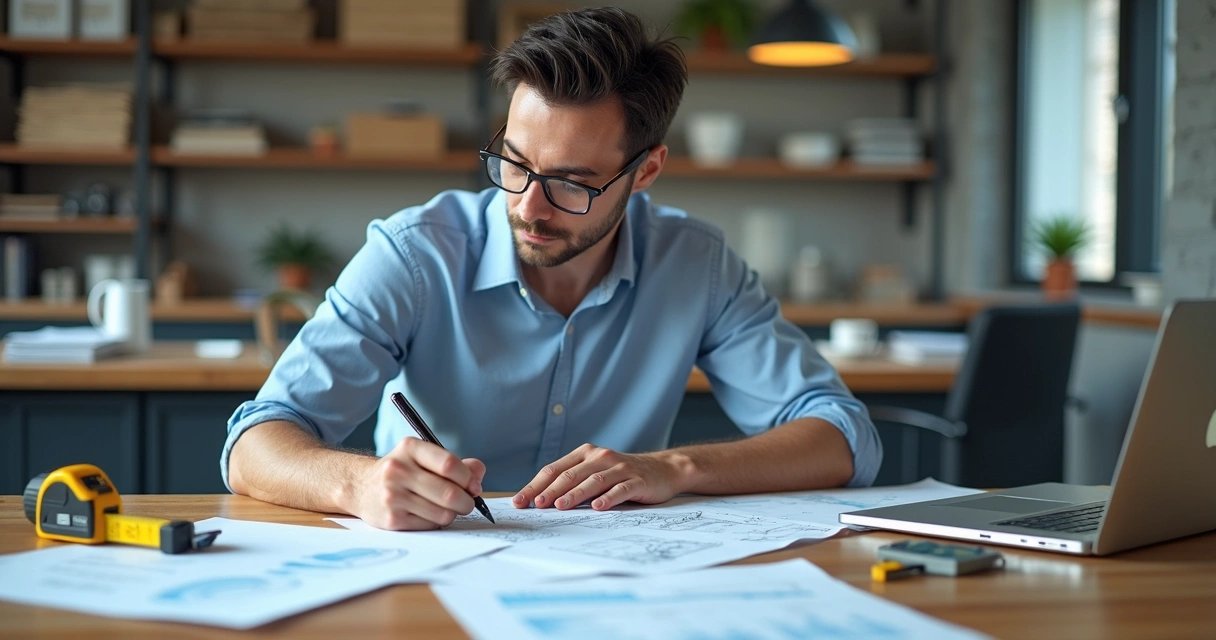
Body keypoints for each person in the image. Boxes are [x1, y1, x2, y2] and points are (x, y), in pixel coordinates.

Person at [223, 7, 882, 531]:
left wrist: (674, 468)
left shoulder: (696, 265)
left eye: (572, 182)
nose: (527, 206)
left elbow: (842, 435)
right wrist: (360, 484)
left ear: (645, 171)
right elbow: (254, 444)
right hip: (430, 577)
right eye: (515, 163)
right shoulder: (414, 255)